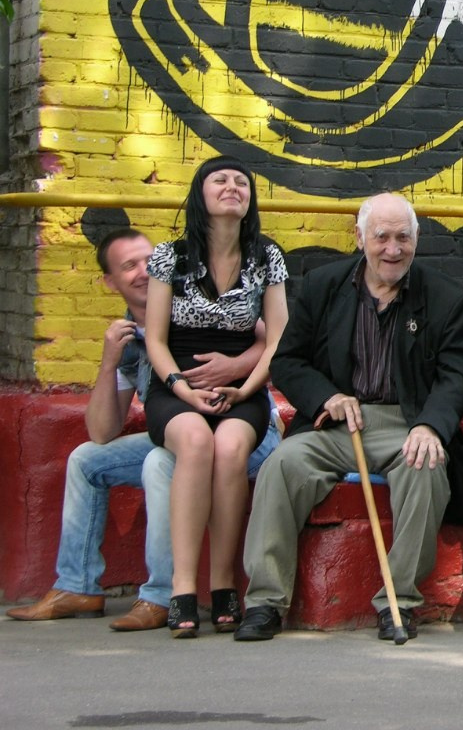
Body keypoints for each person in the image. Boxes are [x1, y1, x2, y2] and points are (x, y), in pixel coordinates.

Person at [6, 228, 279, 631]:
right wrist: (108, 362)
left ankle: (161, 596)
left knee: (160, 463)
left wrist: (235, 366)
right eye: (129, 265)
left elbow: (273, 339)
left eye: (149, 260)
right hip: (186, 435)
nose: (144, 271)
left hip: (245, 440)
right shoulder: (129, 337)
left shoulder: (199, 302)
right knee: (86, 459)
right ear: (109, 281)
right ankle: (77, 586)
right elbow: (102, 431)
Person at [235, 193, 463, 642]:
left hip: (407, 422)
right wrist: (325, 396)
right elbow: (287, 361)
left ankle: (399, 602)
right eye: (381, 237)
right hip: (336, 423)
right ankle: (266, 601)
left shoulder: (446, 297)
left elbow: (457, 376)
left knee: (426, 468)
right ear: (360, 237)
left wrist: (429, 426)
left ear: (416, 239)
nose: (393, 249)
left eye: (403, 237)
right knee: (281, 465)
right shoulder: (323, 285)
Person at [143, 156, 288, 637]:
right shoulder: (169, 255)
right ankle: (183, 589)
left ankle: (224, 584)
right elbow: (155, 340)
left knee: (229, 448)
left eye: (241, 182)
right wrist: (183, 390)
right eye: (219, 180)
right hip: (176, 383)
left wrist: (245, 388)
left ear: (251, 199)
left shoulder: (267, 256)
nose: (232, 187)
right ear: (200, 195)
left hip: (241, 387)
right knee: (195, 441)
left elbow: (278, 339)